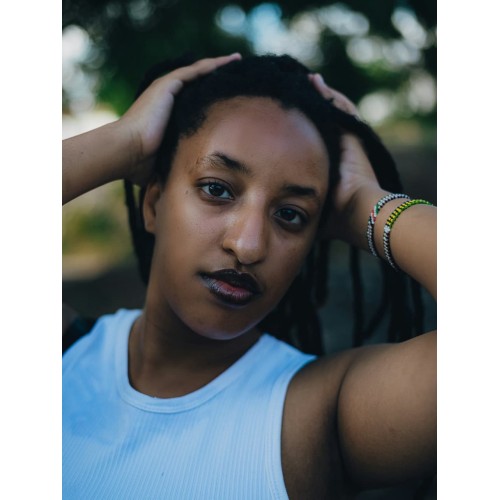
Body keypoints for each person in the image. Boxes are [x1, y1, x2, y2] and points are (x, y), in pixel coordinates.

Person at [62, 53, 436, 498]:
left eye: (291, 215)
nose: (249, 245)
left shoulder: (316, 419)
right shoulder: (64, 353)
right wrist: (127, 143)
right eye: (217, 189)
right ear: (154, 203)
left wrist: (364, 201)